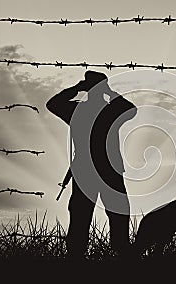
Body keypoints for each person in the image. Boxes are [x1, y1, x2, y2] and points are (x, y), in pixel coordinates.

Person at [46, 71, 137, 258]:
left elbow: (53, 104)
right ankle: (122, 254)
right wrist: (109, 92)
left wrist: (77, 88)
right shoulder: (110, 110)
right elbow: (130, 109)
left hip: (87, 171)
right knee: (115, 213)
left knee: (82, 215)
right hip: (109, 170)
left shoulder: (77, 110)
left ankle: (77, 256)